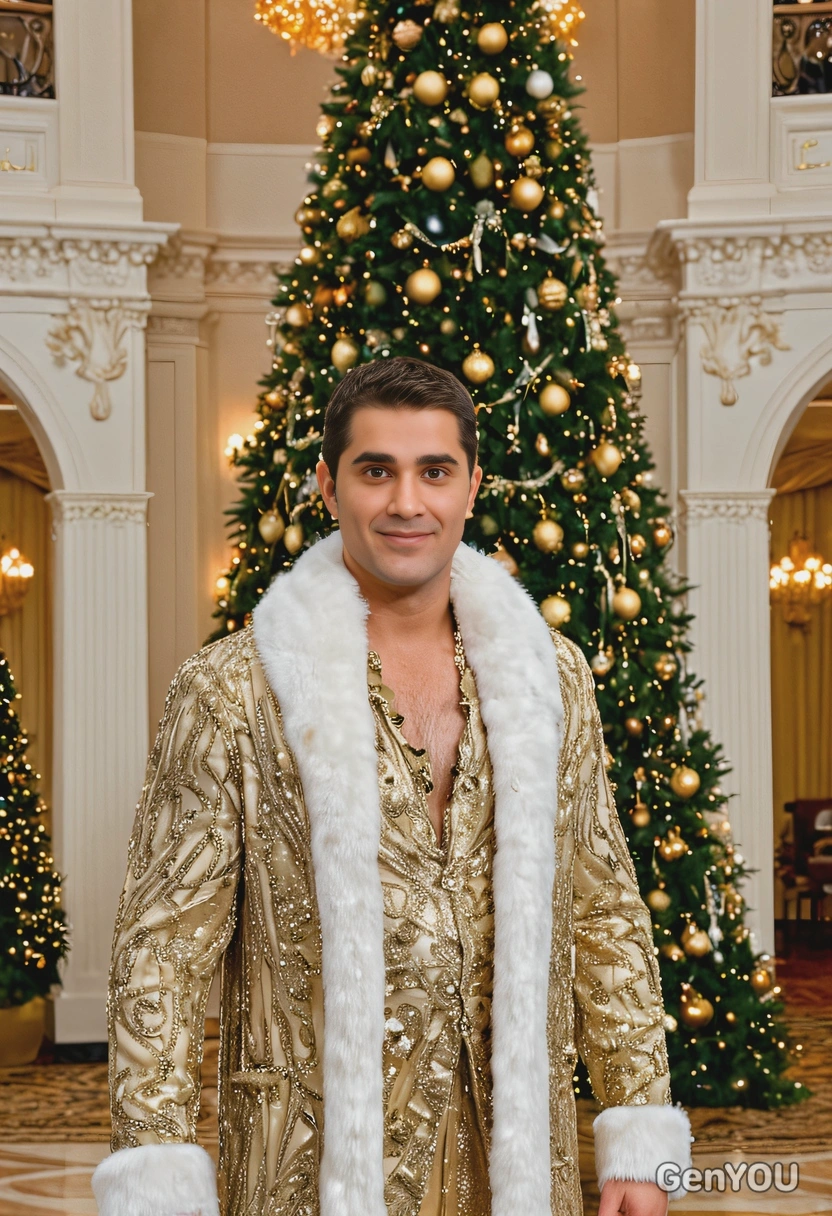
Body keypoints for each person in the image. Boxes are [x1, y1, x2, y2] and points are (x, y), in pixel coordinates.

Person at [92, 356, 692, 1216]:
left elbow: (604, 908)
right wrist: (155, 1170)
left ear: (472, 487)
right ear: (328, 487)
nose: (407, 502)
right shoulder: (232, 689)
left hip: (519, 1165)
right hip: (312, 1169)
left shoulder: (550, 677)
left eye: (434, 471)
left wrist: (640, 1138)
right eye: (376, 471)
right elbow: (162, 953)